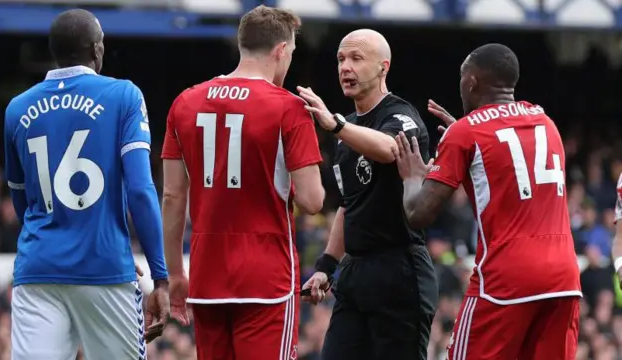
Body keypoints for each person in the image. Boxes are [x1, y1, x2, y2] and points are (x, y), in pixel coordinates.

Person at [395, 43, 581, 360]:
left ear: (471, 82)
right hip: (563, 280)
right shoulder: (545, 123)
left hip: (505, 281)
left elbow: (418, 213)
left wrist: (412, 176)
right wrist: (466, 141)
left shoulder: (466, 133)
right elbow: (506, 171)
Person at [4, 9, 170, 360]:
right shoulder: (124, 96)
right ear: (97, 50)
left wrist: (56, 237)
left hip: (37, 271)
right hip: (105, 268)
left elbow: (22, 201)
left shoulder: (17, 109)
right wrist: (160, 277)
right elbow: (141, 190)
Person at [161, 5, 324, 360]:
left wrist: (175, 272)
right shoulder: (289, 107)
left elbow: (173, 195)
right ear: (281, 51)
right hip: (267, 277)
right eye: (291, 54)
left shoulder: (185, 102)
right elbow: (312, 200)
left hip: (206, 276)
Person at [298, 29, 438, 360]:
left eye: (356, 59)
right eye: (341, 59)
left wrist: (335, 126)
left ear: (382, 67)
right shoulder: (346, 130)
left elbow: (390, 148)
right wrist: (325, 267)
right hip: (355, 274)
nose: (345, 67)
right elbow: (350, 206)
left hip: (399, 271)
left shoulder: (399, 116)